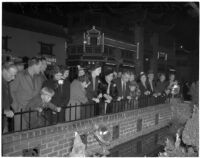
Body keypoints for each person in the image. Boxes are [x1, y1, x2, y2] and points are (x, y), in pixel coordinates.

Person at [10, 57, 43, 131]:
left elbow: (39, 94)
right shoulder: (19, 75)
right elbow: (11, 91)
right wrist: (16, 107)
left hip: (34, 111)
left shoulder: (39, 77)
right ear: (34, 65)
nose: (41, 69)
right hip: (21, 110)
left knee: (32, 134)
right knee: (20, 136)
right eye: (40, 66)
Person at [2, 62, 17, 133]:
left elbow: (9, 100)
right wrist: (4, 111)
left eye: (14, 75)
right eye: (11, 75)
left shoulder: (6, 82)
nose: (13, 78)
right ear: (4, 70)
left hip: (4, 119)